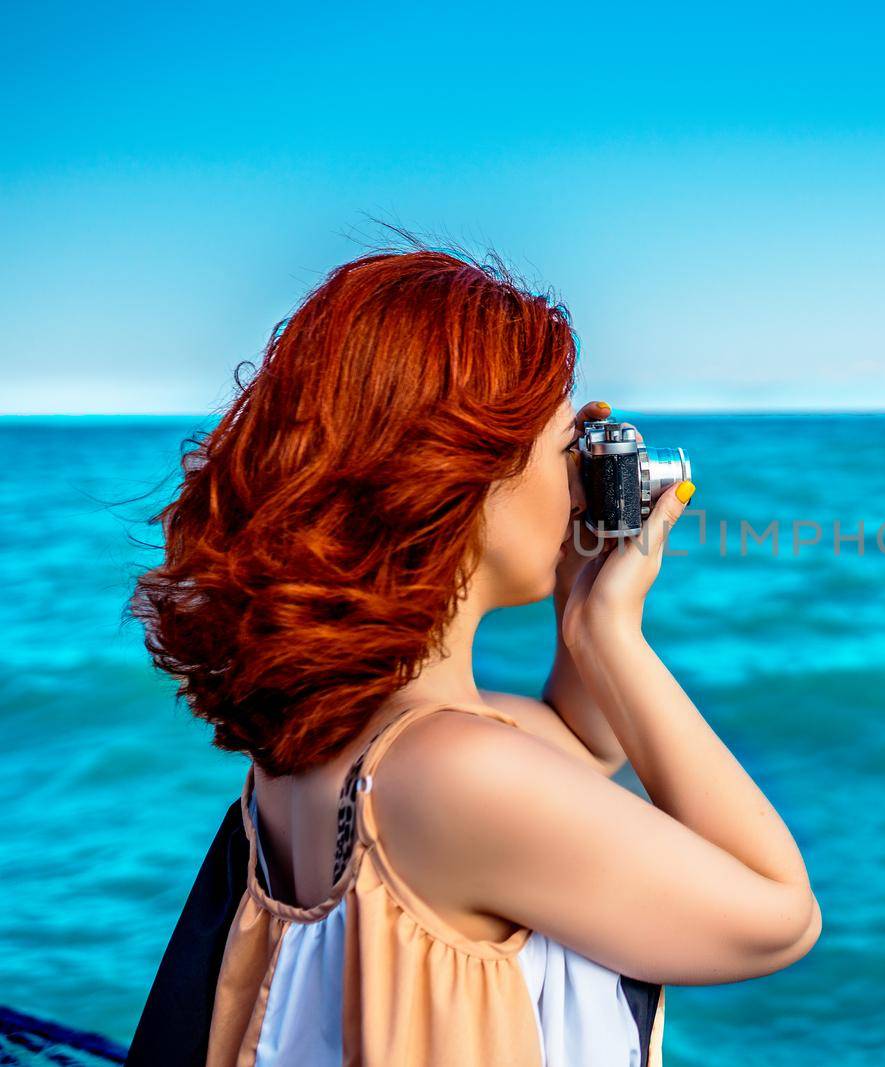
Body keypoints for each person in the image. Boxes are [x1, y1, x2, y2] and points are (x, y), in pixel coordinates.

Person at [124, 239, 821, 1066]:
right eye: (567, 451)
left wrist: (583, 603)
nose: (577, 484)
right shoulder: (456, 772)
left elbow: (587, 742)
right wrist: (614, 638)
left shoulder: (330, 741)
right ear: (463, 473)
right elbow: (781, 918)